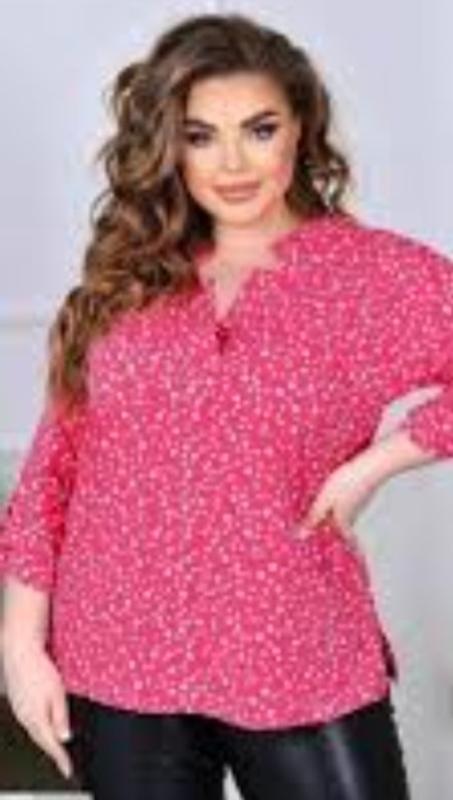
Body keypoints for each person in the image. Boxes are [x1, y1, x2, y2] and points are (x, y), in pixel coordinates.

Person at [2, 10, 453, 799]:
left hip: (295, 650)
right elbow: (53, 475)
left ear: (301, 129)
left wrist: (378, 463)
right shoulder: (128, 279)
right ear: (167, 147)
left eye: (259, 129)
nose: (232, 163)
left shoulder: (376, 278)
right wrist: (19, 645)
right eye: (199, 136)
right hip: (118, 655)